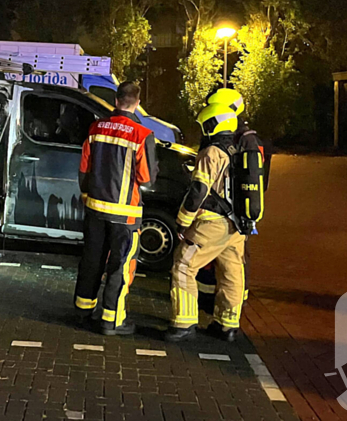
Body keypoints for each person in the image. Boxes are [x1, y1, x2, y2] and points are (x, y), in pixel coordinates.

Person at [73, 81, 158, 336]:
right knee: (119, 265)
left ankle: (82, 311)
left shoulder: (96, 128)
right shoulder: (141, 135)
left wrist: (88, 196)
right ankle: (112, 320)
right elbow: (147, 179)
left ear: (116, 100)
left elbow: (84, 170)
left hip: (95, 210)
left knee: (91, 261)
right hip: (125, 215)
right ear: (138, 102)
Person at [166, 87, 248, 343]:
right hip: (236, 226)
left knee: (183, 265)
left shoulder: (211, 153)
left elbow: (198, 190)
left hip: (211, 224)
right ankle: (227, 325)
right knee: (231, 272)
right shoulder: (238, 150)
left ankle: (183, 323)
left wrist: (183, 220)